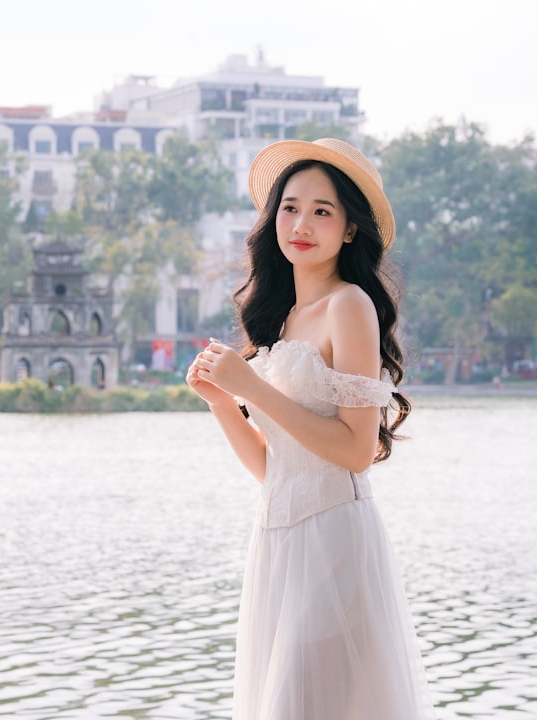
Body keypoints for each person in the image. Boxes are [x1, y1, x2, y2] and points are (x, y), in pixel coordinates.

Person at [186, 138, 434, 718]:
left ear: (349, 229)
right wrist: (222, 403)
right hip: (277, 541)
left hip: (332, 540)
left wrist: (251, 388)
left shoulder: (350, 305)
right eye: (290, 207)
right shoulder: (284, 317)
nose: (301, 224)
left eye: (322, 211)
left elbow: (355, 450)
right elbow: (274, 469)